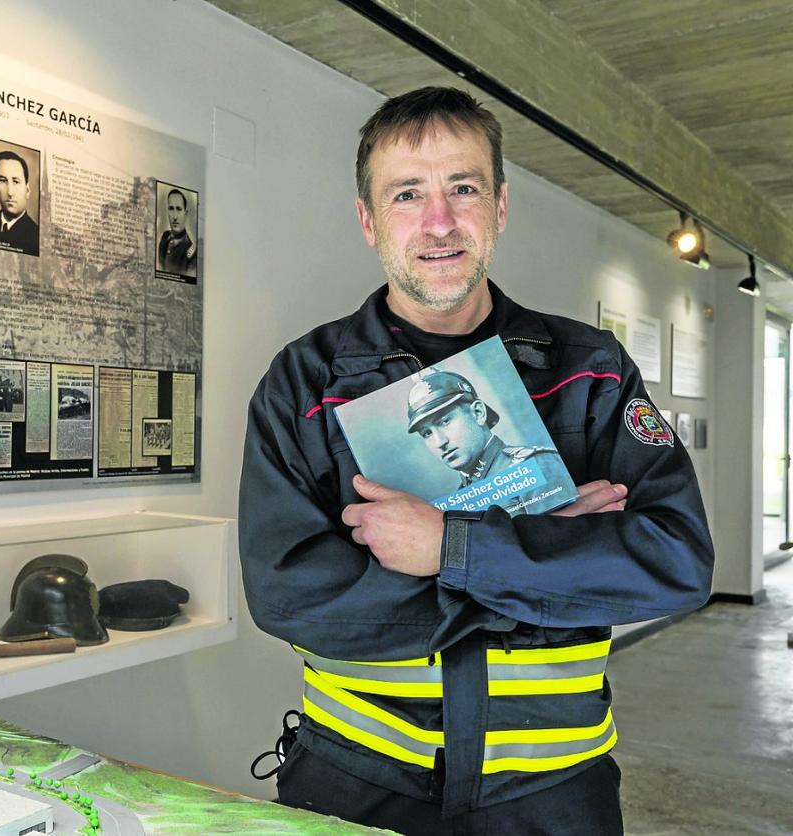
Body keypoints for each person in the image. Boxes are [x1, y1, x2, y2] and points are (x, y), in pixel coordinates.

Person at [238, 87, 713, 835]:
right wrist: (547, 555)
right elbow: (290, 597)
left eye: (463, 187)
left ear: (499, 206)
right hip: (356, 780)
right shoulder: (303, 384)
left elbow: (677, 562)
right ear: (368, 220)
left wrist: (449, 549)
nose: (439, 221)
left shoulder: (591, 370)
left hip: (555, 793)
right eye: (407, 194)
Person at [407, 370, 570, 497]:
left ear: (478, 413)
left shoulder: (536, 465)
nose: (439, 442)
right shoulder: (460, 498)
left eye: (444, 421)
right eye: (427, 433)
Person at [0, 150, 39, 256]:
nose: (10, 192)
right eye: (3, 180)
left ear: (27, 190)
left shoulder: (36, 236)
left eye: (16, 182)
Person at [157, 188, 197, 275]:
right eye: (171, 209)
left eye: (178, 209)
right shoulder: (165, 236)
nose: (175, 216)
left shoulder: (190, 250)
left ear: (185, 214)